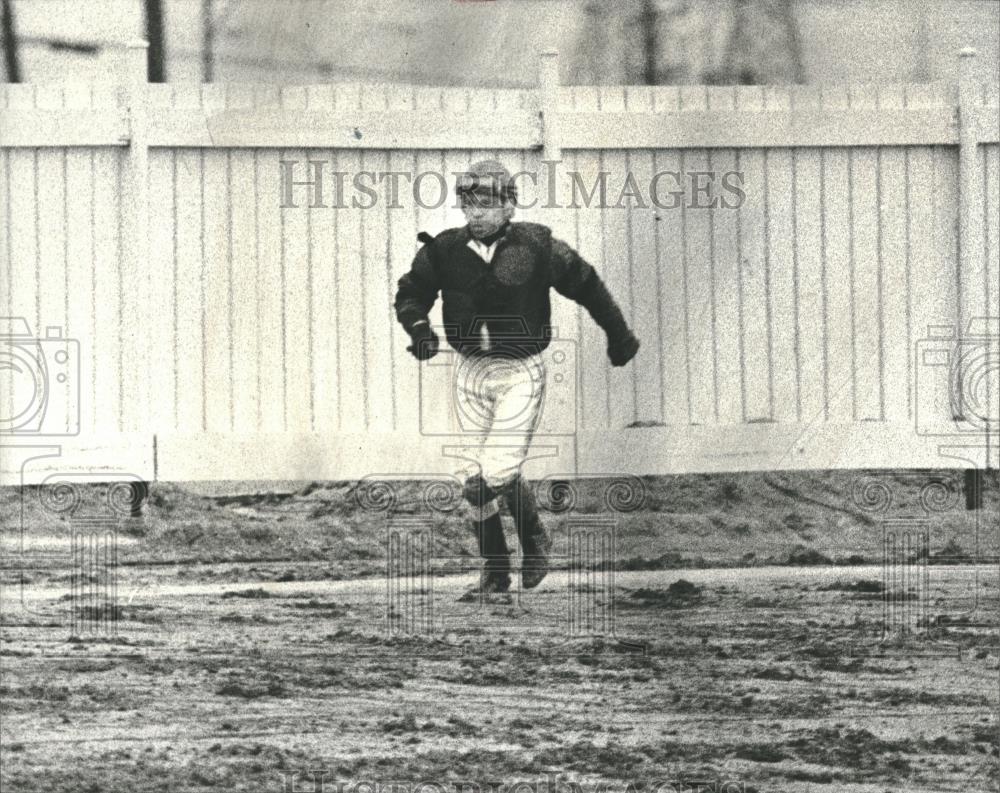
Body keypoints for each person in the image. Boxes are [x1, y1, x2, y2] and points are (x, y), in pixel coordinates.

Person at [393, 160, 640, 599]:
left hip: (520, 372)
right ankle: (497, 571)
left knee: (495, 473)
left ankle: (534, 540)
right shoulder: (444, 250)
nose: (477, 213)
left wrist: (618, 335)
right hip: (469, 370)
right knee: (472, 475)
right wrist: (420, 330)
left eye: (487, 203)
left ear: (510, 204)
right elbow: (410, 293)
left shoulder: (540, 247)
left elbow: (588, 286)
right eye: (468, 203)